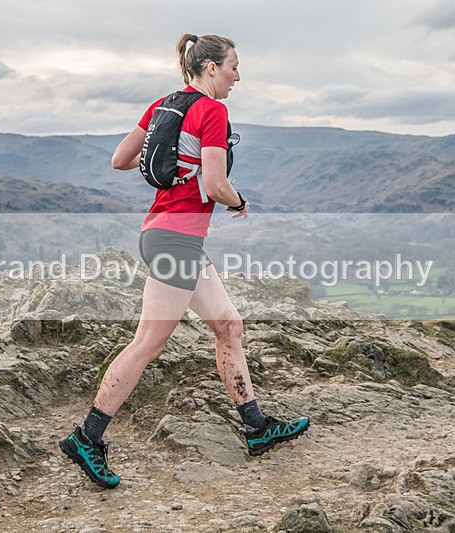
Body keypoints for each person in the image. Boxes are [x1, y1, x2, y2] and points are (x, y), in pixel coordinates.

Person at [59, 33, 309, 490]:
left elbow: (120, 159)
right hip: (176, 241)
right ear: (211, 67)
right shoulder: (212, 110)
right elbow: (215, 184)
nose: (238, 75)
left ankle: (256, 428)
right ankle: (86, 437)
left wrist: (177, 169)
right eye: (234, 65)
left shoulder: (165, 103)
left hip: (169, 236)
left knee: (228, 325)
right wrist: (239, 201)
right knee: (149, 343)